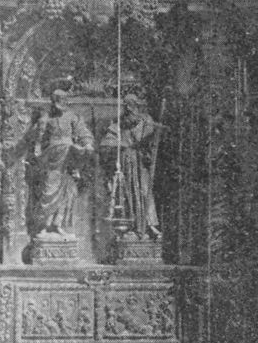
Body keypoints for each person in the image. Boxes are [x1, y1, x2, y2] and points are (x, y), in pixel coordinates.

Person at [27, 87, 95, 240]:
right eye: (56, 100)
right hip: (51, 158)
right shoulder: (47, 118)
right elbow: (38, 137)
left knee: (67, 192)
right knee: (48, 190)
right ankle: (44, 226)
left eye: (62, 100)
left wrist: (87, 144)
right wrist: (37, 148)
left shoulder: (72, 117)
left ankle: (58, 225)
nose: (59, 103)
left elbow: (83, 132)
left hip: (69, 158)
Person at [100, 91, 161, 239]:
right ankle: (132, 226)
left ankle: (149, 225)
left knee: (144, 191)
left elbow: (151, 138)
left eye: (133, 105)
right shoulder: (119, 124)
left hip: (141, 163)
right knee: (128, 193)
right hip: (127, 161)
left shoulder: (146, 121)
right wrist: (120, 144)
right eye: (127, 106)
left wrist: (150, 142)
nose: (130, 109)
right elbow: (107, 141)